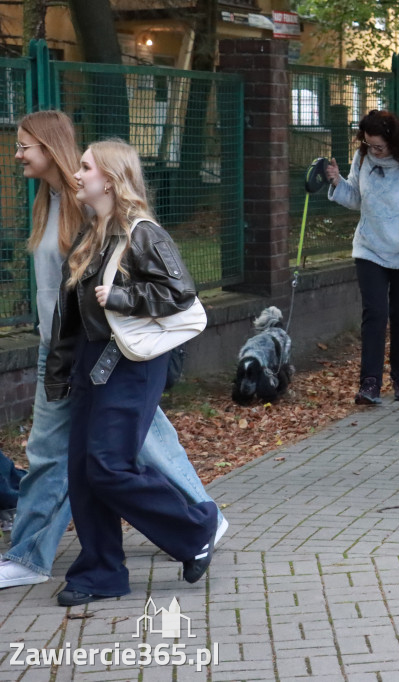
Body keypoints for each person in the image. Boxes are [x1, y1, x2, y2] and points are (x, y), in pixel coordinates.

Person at [0, 112, 226, 592]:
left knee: (107, 467)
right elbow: (69, 315)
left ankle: (196, 526)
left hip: (129, 364)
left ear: (111, 179)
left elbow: (180, 293)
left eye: (85, 167)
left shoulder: (141, 232)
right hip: (89, 366)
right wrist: (59, 371)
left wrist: (123, 298)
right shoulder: (91, 234)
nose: (76, 173)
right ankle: (101, 572)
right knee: (84, 472)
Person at [326, 110, 399, 404]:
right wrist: (337, 182)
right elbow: (356, 199)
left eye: (379, 146)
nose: (374, 150)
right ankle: (369, 384)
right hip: (369, 247)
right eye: (369, 144)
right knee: (375, 315)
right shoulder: (362, 159)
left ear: (393, 140)